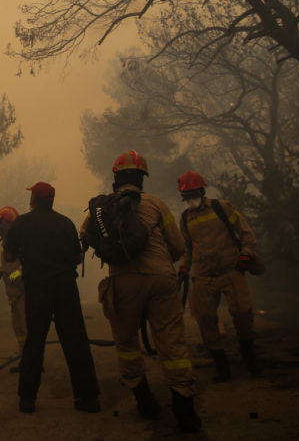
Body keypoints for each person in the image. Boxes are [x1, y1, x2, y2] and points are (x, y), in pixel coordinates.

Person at [80, 151, 201, 433]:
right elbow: (180, 247)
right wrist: (159, 266)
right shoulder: (157, 204)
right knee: (172, 342)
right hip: (161, 279)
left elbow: (85, 239)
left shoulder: (100, 209)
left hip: (123, 282)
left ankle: (144, 399)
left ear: (115, 179)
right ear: (142, 180)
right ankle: (184, 408)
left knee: (127, 344)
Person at [3, 182, 100, 415]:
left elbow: (8, 255)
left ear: (33, 200)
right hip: (65, 287)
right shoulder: (65, 223)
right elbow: (78, 259)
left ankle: (27, 400)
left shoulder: (22, 223)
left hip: (38, 289)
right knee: (75, 341)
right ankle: (88, 398)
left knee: (34, 342)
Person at [176, 170, 262, 381]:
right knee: (204, 318)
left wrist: (246, 254)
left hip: (231, 270)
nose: (190, 198)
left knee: (243, 311)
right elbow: (186, 246)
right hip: (204, 276)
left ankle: (248, 355)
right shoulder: (185, 218)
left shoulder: (221, 207)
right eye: (186, 195)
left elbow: (246, 232)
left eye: (193, 193)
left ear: (202, 191)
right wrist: (184, 267)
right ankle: (221, 364)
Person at [0, 206, 26, 369]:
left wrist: (16, 275)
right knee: (18, 328)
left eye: (0, 223)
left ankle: (31, 363)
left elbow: (26, 263)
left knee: (26, 329)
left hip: (23, 293)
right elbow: (8, 264)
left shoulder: (19, 241)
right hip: (13, 295)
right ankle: (24, 358)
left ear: (6, 223)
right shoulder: (7, 242)